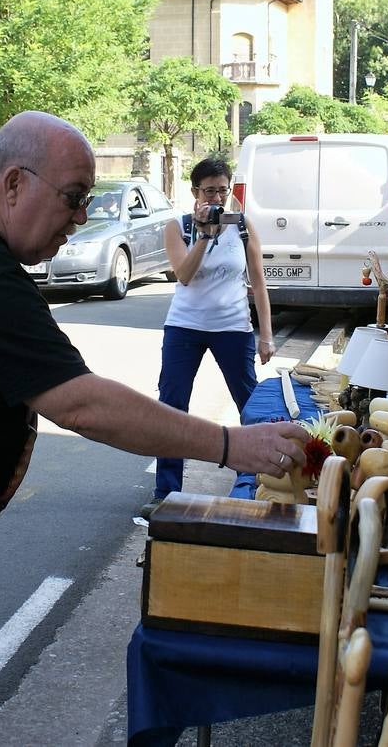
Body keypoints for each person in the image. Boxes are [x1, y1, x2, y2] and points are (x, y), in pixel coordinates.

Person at [0, 111, 306, 747]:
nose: (78, 219)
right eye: (72, 200)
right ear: (14, 183)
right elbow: (80, 404)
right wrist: (233, 445)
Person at [145, 157, 276, 514]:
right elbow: (183, 274)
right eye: (209, 191)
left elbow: (259, 283)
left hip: (233, 328)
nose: (217, 197)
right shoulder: (179, 226)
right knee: (172, 405)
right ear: (195, 192)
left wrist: (266, 335)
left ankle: (255, 479)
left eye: (222, 189)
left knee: (250, 403)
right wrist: (204, 236)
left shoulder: (244, 226)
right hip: (184, 327)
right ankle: (166, 489)